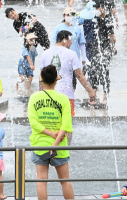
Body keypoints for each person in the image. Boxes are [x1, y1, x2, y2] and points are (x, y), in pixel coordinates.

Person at [28, 65, 74, 200]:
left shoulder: (34, 98)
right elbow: (65, 126)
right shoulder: (64, 99)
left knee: (41, 181)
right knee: (65, 181)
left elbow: (34, 123)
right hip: (59, 146)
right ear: (56, 80)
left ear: (41, 80)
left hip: (40, 145)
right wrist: (55, 142)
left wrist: (49, 134)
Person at [39, 30, 97, 125]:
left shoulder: (45, 53)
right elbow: (79, 75)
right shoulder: (71, 54)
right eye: (70, 40)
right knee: (67, 124)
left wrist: (40, 93)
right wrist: (90, 91)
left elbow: (41, 77)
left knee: (51, 123)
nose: (71, 43)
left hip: (48, 96)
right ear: (64, 40)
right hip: (66, 96)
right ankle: (67, 140)